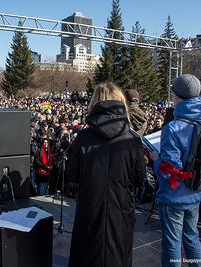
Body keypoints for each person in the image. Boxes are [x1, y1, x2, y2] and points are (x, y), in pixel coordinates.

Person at [67, 82, 145, 267]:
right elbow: (139, 178)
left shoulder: (83, 137)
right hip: (121, 210)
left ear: (95, 103)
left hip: (90, 208)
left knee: (86, 254)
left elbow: (72, 176)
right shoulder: (133, 139)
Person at [151, 74, 201, 267]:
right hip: (197, 190)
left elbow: (169, 171)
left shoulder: (173, 127)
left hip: (175, 196)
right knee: (192, 237)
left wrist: (156, 160)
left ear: (177, 96)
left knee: (172, 244)